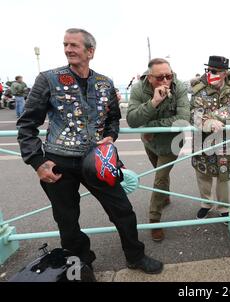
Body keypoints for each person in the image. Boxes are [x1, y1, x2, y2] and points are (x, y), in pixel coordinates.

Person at [16, 28, 163, 274]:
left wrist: (111, 135)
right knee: (67, 220)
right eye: (65, 45)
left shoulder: (105, 83)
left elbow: (114, 119)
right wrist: (37, 161)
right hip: (57, 162)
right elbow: (27, 123)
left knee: (123, 211)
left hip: (96, 160)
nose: (68, 49)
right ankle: (81, 265)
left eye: (74, 45)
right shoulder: (48, 78)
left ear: (90, 51)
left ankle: (135, 256)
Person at [126, 58, 190, 242]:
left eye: (168, 76)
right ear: (149, 76)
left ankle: (154, 220)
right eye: (160, 77)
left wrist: (151, 126)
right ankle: (166, 197)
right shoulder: (139, 89)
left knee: (159, 178)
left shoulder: (179, 88)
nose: (165, 81)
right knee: (159, 172)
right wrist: (153, 102)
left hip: (172, 142)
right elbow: (131, 120)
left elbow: (184, 119)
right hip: (149, 142)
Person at [190, 55, 230, 219]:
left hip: (226, 139)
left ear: (225, 73)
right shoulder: (198, 90)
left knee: (223, 175)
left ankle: (223, 207)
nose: (211, 74)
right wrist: (208, 123)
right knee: (203, 174)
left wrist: (214, 117)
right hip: (203, 139)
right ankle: (206, 203)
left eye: (216, 71)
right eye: (209, 70)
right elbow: (193, 114)